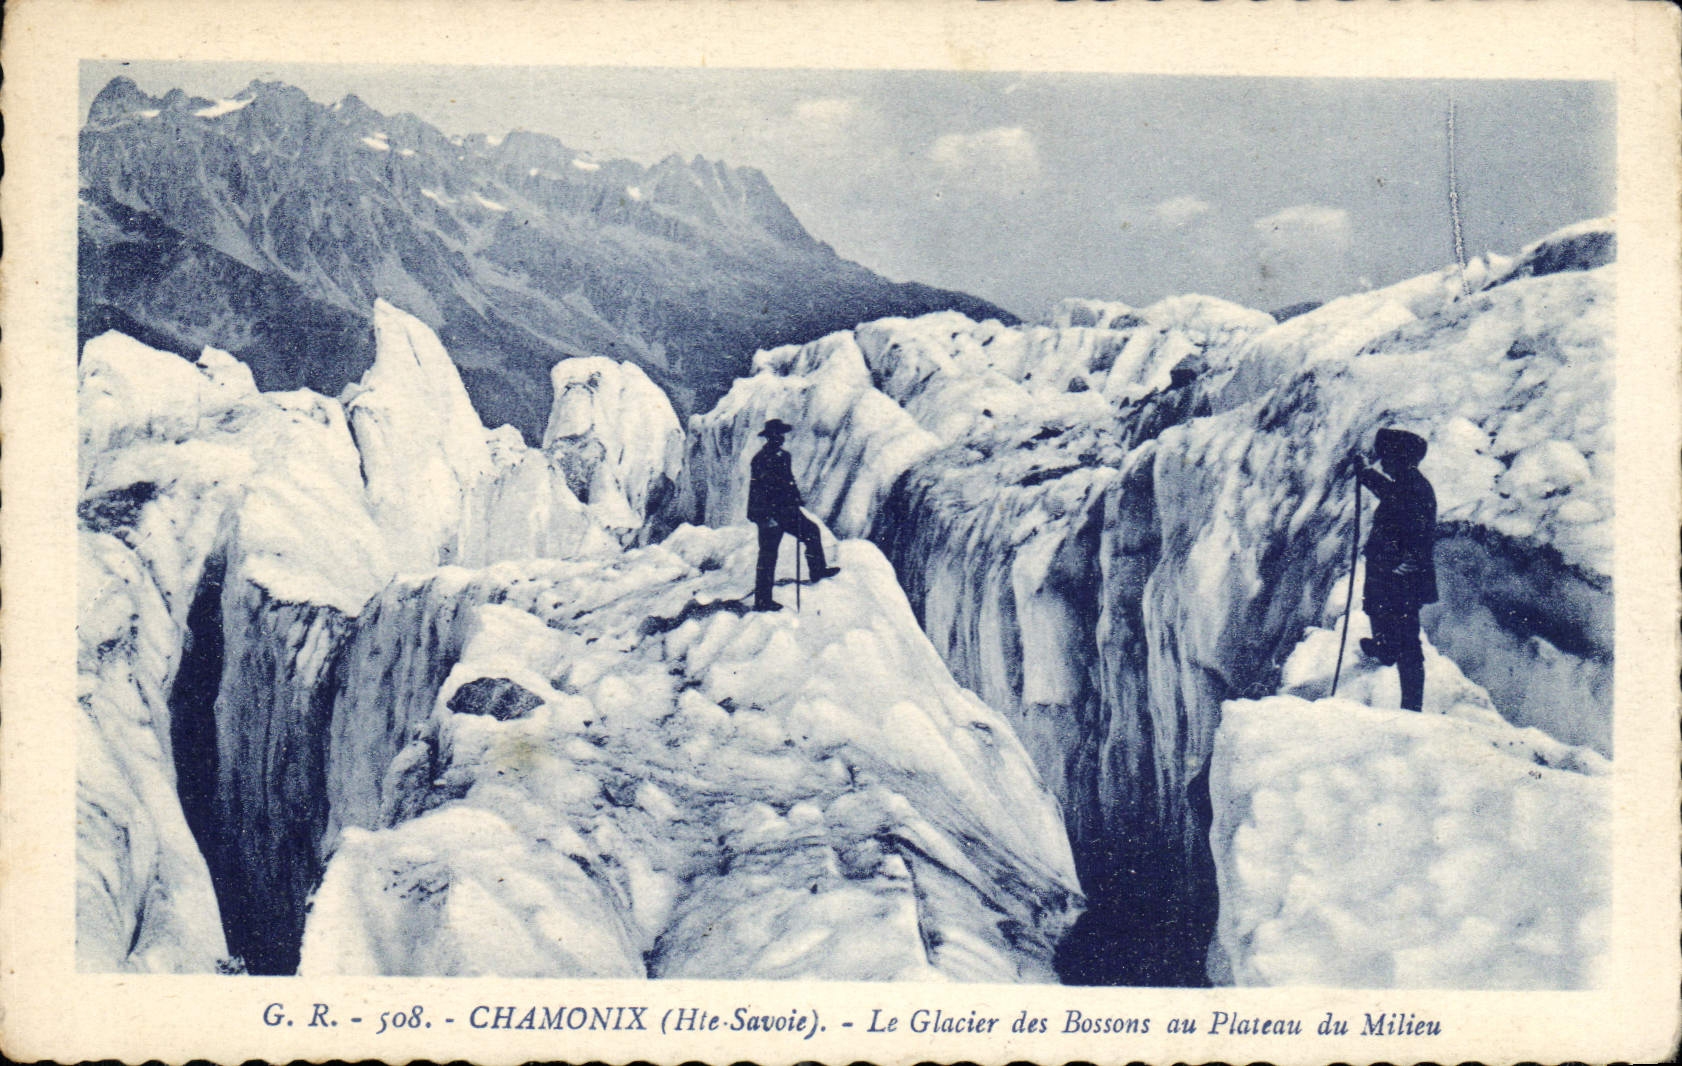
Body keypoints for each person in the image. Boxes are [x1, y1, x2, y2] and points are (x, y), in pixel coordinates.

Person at [1355, 427, 1438, 712]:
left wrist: (1404, 563)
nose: (1384, 463)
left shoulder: (1415, 488)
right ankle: (1384, 649)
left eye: (1387, 458)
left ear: (1400, 459)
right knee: (1377, 611)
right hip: (1387, 571)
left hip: (1401, 577)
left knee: (1407, 640)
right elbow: (1388, 493)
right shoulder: (1406, 483)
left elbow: (1419, 533)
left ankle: (1412, 707)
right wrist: (1365, 474)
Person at [747, 418, 839, 611]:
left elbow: (789, 481)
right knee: (767, 556)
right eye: (776, 435)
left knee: (812, 532)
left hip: (788, 511)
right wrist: (763, 518)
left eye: (781, 435)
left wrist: (795, 497)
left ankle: (818, 571)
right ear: (768, 437)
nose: (779, 438)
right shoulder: (760, 459)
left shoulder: (784, 456)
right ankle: (762, 601)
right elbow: (756, 490)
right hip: (770, 516)